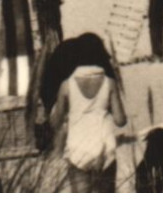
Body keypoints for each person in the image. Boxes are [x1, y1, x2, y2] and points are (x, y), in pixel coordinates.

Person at [47, 32, 128, 192]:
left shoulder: (66, 85)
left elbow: (55, 122)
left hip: (78, 151)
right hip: (105, 151)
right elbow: (120, 120)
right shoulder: (109, 83)